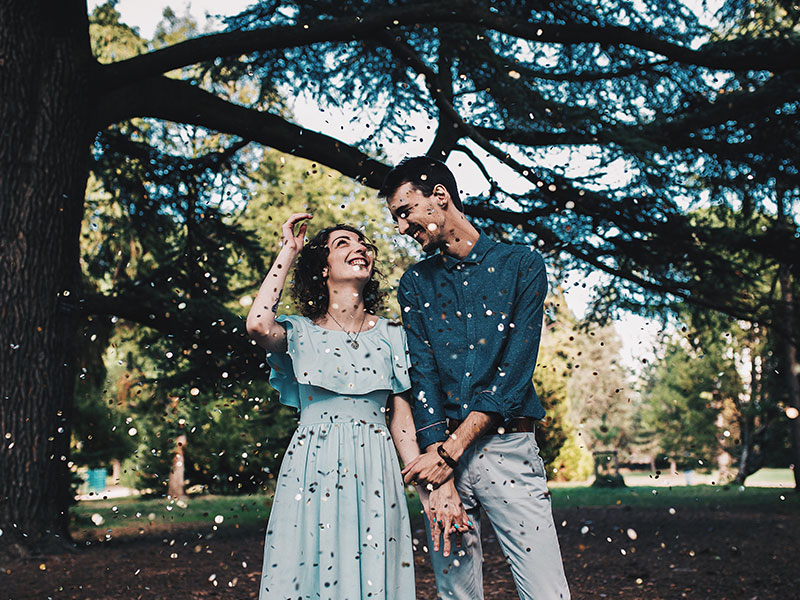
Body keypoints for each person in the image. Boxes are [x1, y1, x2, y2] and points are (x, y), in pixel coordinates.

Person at [380, 157, 571, 600]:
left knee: (546, 592)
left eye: (405, 211)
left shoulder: (522, 265)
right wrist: (441, 475)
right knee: (456, 595)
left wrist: (450, 452)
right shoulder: (414, 283)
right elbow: (421, 375)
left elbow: (513, 375)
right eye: (396, 217)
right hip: (442, 460)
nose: (402, 227)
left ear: (440, 197)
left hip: (508, 450)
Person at [246, 213, 428, 600]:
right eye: (342, 244)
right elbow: (259, 325)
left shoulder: (393, 335)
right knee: (306, 566)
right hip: (313, 462)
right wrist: (288, 252)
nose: (359, 248)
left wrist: (430, 493)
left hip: (376, 468)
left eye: (362, 244)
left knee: (374, 569)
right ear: (323, 269)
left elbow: (401, 420)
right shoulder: (301, 331)